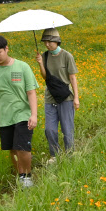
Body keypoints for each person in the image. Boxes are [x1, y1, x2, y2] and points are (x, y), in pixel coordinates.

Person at [0, 35, 39, 188]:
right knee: (12, 149)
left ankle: (27, 176)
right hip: (4, 117)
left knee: (23, 148)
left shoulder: (22, 67)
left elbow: (31, 92)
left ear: (7, 49)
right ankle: (20, 175)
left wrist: (34, 114)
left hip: (22, 114)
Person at [35, 28, 79, 162]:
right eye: (45, 42)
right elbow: (45, 77)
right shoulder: (44, 56)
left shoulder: (67, 56)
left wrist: (76, 97)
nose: (47, 44)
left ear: (57, 41)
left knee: (67, 129)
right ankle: (54, 155)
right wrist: (41, 64)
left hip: (65, 97)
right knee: (50, 129)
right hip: (50, 97)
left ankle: (70, 154)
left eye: (50, 42)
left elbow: (72, 78)